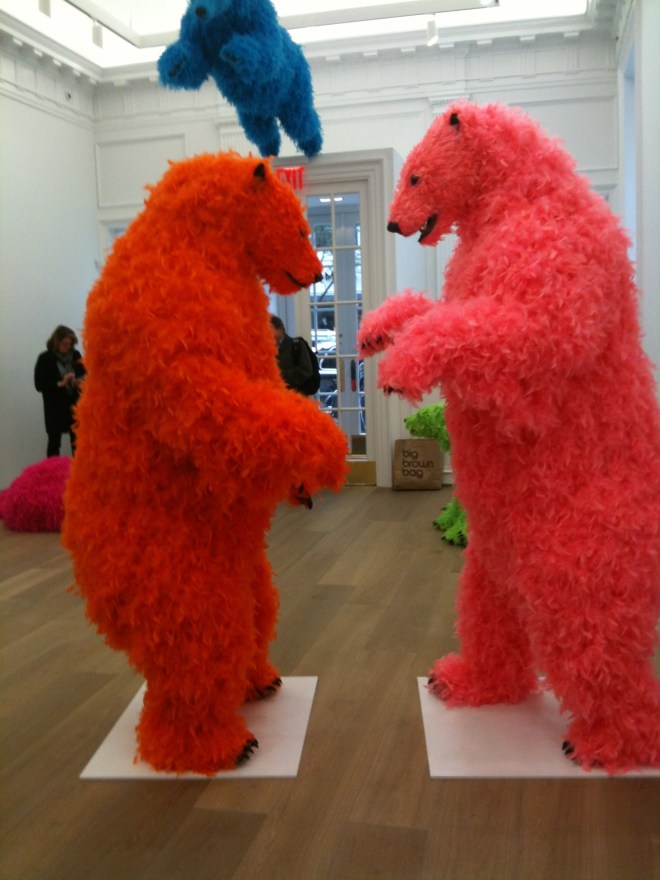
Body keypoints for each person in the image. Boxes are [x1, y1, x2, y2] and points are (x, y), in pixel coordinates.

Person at [34, 325, 86, 457]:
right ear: (56, 342)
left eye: (70, 344)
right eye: (65, 344)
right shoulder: (45, 358)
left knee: (78, 442)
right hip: (55, 408)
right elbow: (39, 385)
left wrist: (78, 381)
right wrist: (60, 383)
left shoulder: (76, 355)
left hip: (74, 406)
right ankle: (51, 469)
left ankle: (78, 469)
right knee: (54, 443)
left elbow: (84, 375)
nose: (68, 347)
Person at [270, 314, 315, 395]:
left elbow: (306, 371)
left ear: (280, 329)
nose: (267, 333)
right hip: (274, 395)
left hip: (294, 396)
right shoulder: (266, 348)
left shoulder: (296, 345)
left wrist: (279, 375)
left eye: (270, 329)